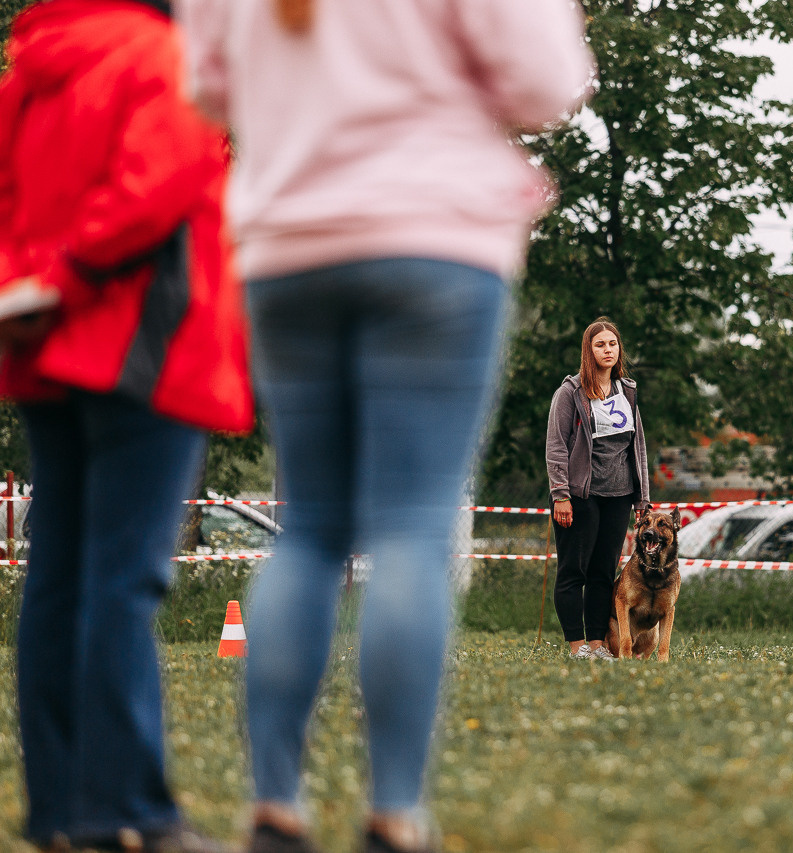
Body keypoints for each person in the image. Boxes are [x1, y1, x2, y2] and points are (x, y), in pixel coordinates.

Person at [176, 0, 594, 851]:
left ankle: (275, 804)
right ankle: (395, 812)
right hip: (434, 237)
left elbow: (206, 84)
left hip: (288, 244)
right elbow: (547, 81)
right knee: (410, 530)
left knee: (308, 535)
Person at [0, 1, 255, 851]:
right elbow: (162, 183)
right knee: (122, 580)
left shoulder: (30, 69)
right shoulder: (160, 56)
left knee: (60, 577)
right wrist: (70, 275)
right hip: (144, 345)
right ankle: (128, 813)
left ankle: (62, 809)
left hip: (43, 345)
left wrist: (26, 291)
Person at [546, 318, 651, 661]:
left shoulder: (627, 391)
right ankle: (576, 646)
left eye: (612, 344)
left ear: (619, 349)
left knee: (604, 572)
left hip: (619, 496)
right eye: (600, 345)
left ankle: (596, 644)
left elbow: (638, 449)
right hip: (580, 495)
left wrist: (642, 499)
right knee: (573, 570)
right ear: (588, 351)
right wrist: (560, 494)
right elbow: (556, 446)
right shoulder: (569, 393)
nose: (608, 350)